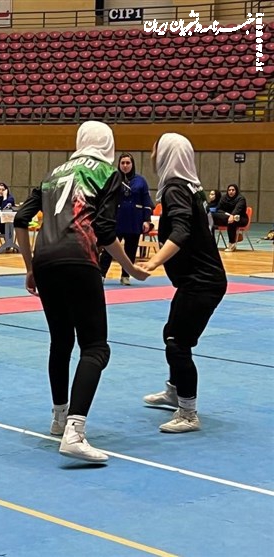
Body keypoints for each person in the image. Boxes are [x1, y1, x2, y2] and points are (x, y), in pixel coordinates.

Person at [13, 121, 148, 463]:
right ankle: (75, 431)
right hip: (79, 257)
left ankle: (59, 417)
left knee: (61, 341)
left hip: (45, 259)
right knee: (96, 347)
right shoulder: (107, 173)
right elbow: (104, 230)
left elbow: (20, 220)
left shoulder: (53, 173)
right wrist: (130, 267)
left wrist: (30, 266)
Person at [139, 133, 227, 433]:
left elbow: (181, 231)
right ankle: (175, 390)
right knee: (171, 334)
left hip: (202, 282)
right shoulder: (190, 187)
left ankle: (188, 413)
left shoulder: (176, 188)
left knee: (178, 343)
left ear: (167, 155)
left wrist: (153, 262)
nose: (152, 155)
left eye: (155, 150)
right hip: (196, 281)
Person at [98, 153, 153, 286]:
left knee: (131, 250)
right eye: (122, 163)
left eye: (128, 163)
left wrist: (147, 220)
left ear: (132, 164)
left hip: (134, 221)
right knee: (108, 249)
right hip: (116, 220)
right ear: (119, 164)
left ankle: (125, 276)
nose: (125, 165)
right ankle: (101, 274)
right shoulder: (113, 179)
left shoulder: (141, 181)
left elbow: (146, 201)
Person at [212, 183, 248, 252]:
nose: (231, 192)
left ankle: (232, 244)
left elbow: (238, 209)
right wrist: (227, 215)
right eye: (229, 190)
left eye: (233, 190)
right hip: (226, 217)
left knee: (232, 222)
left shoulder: (241, 199)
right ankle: (210, 244)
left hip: (240, 218)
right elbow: (219, 209)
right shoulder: (224, 198)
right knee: (211, 216)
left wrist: (232, 215)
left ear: (236, 191)